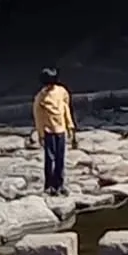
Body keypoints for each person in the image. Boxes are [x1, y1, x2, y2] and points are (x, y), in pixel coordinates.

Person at [32, 67, 76, 196]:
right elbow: (38, 117)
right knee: (50, 159)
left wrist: (70, 126)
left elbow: (66, 108)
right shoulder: (40, 97)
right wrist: (41, 134)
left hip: (61, 129)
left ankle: (60, 184)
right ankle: (49, 185)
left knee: (60, 159)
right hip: (49, 131)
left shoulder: (62, 92)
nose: (50, 87)